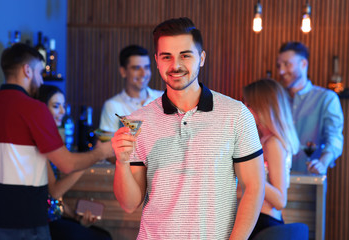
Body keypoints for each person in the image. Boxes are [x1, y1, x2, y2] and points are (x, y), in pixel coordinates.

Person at [111, 17, 265, 240]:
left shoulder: (236, 114)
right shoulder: (138, 120)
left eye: (185, 55)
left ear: (201, 58)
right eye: (167, 57)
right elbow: (129, 204)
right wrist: (121, 162)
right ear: (157, 60)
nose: (175, 65)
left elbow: (254, 187)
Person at [0, 43, 113, 240]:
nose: (40, 80)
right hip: (27, 222)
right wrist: (102, 152)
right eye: (39, 73)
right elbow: (67, 164)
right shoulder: (35, 109)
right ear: (27, 70)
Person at [37, 85, 112, 240]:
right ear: (41, 108)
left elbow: (53, 200)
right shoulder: (39, 144)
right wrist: (89, 160)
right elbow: (55, 193)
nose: (63, 112)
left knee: (104, 235)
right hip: (43, 224)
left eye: (63, 106)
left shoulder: (50, 139)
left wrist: (77, 218)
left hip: (53, 218)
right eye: (56, 106)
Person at [242, 79, 300, 239]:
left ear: (262, 107)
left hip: (265, 223)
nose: (244, 110)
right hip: (259, 218)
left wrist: (249, 174)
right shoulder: (266, 140)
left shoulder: (273, 143)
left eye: (248, 105)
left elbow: (280, 200)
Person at [276, 41, 344, 175]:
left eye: (287, 64)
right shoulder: (276, 98)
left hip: (311, 180)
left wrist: (323, 163)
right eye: (279, 66)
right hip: (276, 182)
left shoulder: (326, 98)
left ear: (303, 64)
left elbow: (334, 138)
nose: (281, 71)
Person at [99, 45, 163, 133]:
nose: (143, 74)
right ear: (123, 72)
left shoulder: (163, 99)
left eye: (146, 67)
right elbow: (107, 145)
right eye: (137, 68)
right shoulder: (113, 106)